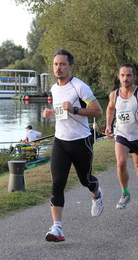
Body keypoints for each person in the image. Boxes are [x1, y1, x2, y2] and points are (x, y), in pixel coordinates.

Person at [42, 49, 104, 242]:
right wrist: (51, 114)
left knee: (85, 180)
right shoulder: (54, 88)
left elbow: (98, 111)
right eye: (55, 64)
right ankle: (57, 228)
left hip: (81, 141)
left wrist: (76, 109)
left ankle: (96, 193)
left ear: (70, 66)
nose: (58, 67)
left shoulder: (79, 87)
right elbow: (61, 112)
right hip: (60, 141)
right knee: (57, 184)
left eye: (62, 64)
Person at [105, 63, 138, 211]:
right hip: (121, 135)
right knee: (121, 163)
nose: (125, 78)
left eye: (128, 75)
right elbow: (110, 109)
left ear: (134, 77)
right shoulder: (114, 95)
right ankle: (125, 193)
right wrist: (108, 125)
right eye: (122, 75)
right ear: (118, 77)